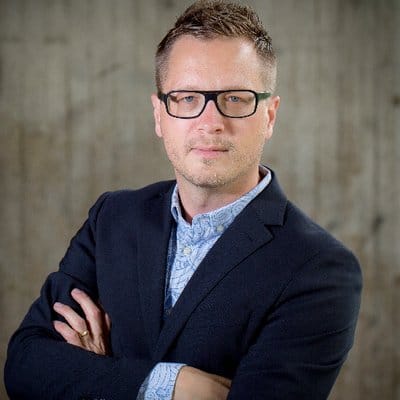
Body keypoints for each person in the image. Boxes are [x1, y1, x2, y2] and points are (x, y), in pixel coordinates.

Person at [4, 1, 362, 399]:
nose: (211, 122)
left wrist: (95, 375)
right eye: (187, 98)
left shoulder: (319, 269)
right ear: (159, 114)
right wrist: (170, 385)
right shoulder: (111, 219)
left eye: (236, 98)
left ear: (269, 116)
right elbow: (24, 366)